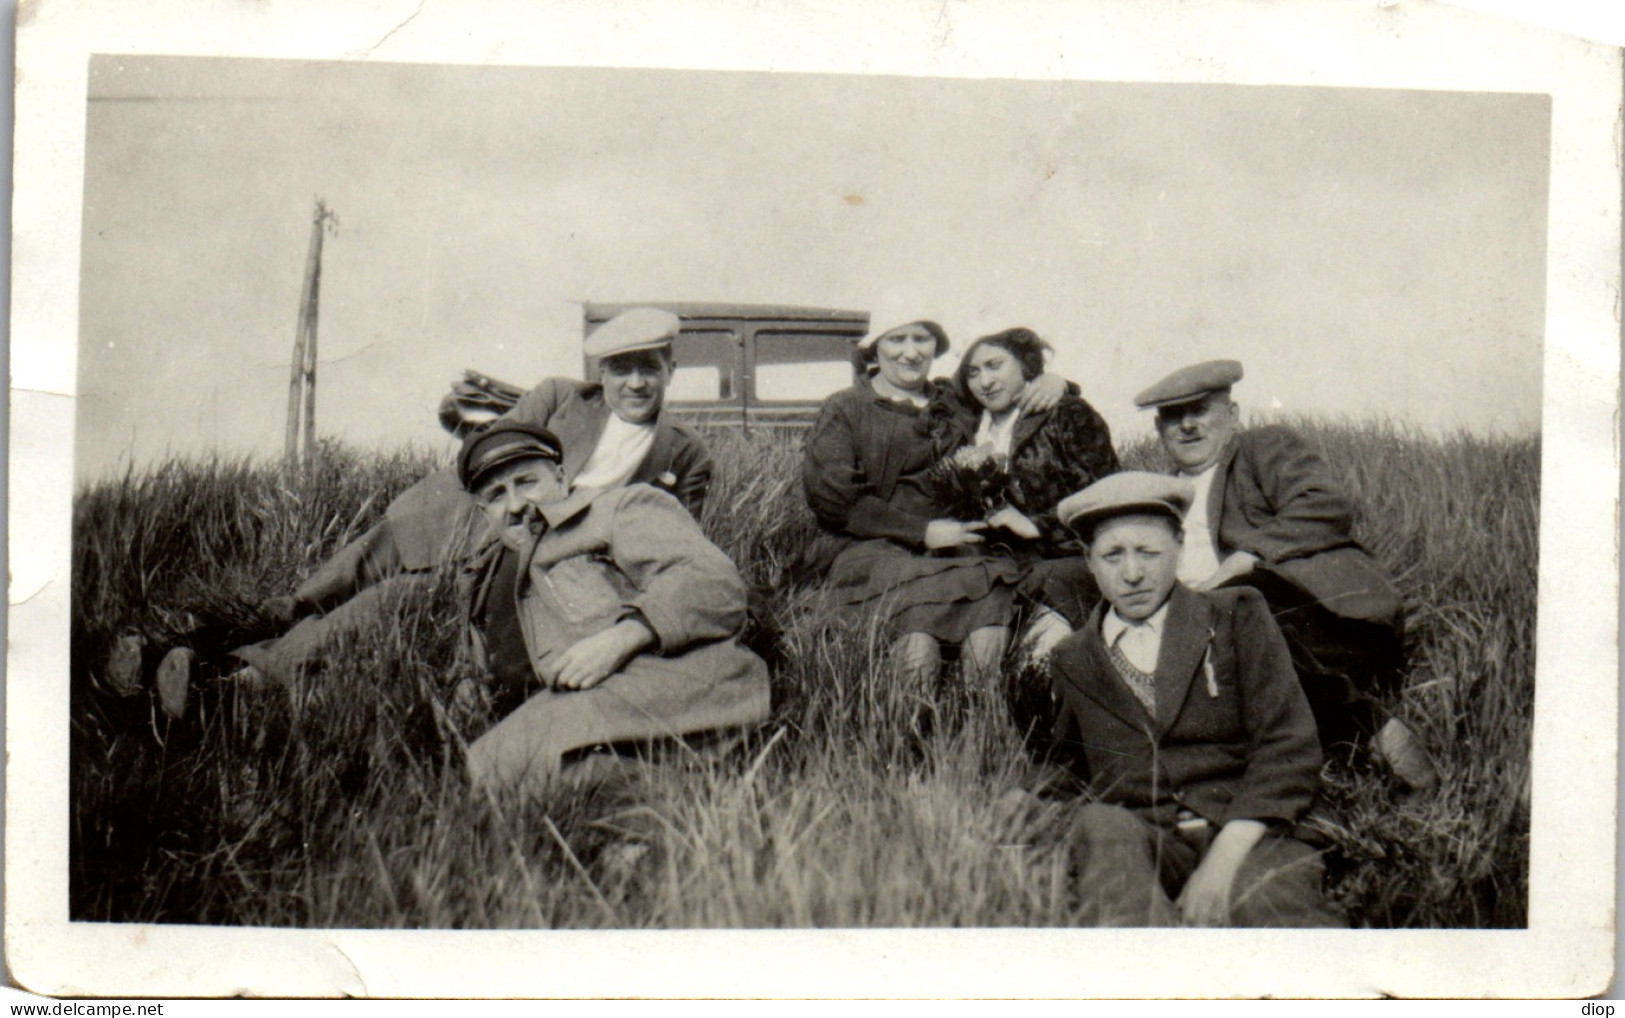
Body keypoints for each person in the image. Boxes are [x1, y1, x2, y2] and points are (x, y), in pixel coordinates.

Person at [144, 307, 713, 718]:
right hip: (473, 516)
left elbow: (676, 539)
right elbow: (486, 454)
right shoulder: (563, 397)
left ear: (670, 370)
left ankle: (232, 679)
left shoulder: (685, 453)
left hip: (543, 560)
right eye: (622, 368)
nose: (635, 382)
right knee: (357, 568)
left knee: (383, 604)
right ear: (603, 373)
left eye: (649, 368)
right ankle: (250, 627)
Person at [1047, 471, 1344, 927]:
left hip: (1250, 831)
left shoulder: (1234, 615)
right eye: (1112, 555)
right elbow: (1070, 765)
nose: (1132, 573)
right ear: (1087, 561)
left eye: (1149, 551)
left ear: (1179, 545)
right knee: (1101, 825)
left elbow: (1288, 745)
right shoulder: (1074, 657)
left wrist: (1221, 865)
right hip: (1147, 840)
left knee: (1273, 913)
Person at [1132, 359, 1436, 791]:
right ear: (1159, 431)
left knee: (1237, 604)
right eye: (1173, 417)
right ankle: (1355, 745)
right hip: (1228, 639)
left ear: (1232, 415)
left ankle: (1364, 730)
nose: (1187, 426)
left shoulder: (1261, 448)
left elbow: (1323, 503)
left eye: (1199, 410)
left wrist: (1248, 557)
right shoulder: (1158, 496)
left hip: (1324, 620)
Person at [452, 420, 770, 795]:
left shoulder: (617, 509)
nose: (517, 504)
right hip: (580, 718)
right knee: (509, 779)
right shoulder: (480, 580)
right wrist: (468, 686)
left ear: (560, 477)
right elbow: (473, 668)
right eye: (497, 494)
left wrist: (623, 637)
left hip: (671, 689)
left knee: (491, 768)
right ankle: (701, 799)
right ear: (483, 511)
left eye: (526, 482)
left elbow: (713, 582)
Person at [799, 318, 1064, 688]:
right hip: (871, 547)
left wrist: (1053, 383)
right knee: (918, 642)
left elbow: (1006, 387)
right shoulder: (846, 407)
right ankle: (909, 730)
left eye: (921, 339)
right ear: (875, 348)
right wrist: (921, 531)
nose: (911, 352)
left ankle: (982, 721)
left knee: (988, 625)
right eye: (897, 339)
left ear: (935, 346)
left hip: (957, 548)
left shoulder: (952, 402)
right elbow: (832, 497)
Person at [939, 327, 1121, 658]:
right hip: (996, 567)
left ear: (1026, 365)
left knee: (1038, 652)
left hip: (1064, 563)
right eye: (973, 372)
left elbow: (1109, 495)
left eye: (995, 365)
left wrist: (1038, 525)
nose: (985, 382)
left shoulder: (1065, 414)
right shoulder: (967, 427)